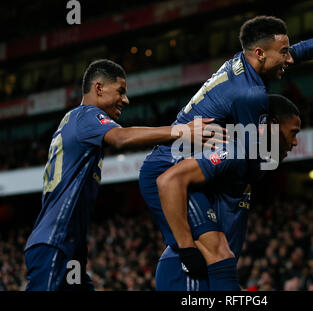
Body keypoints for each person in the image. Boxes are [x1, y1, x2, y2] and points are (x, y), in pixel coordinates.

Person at [138, 16, 313, 290]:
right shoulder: (250, 95)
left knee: (220, 250)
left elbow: (306, 49)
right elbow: (255, 159)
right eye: (284, 53)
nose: (289, 59)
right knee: (216, 253)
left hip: (190, 164)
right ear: (260, 53)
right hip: (168, 171)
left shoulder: (248, 64)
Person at [23, 59, 225, 291]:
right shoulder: (86, 115)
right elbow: (122, 137)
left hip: (68, 247)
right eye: (120, 91)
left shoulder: (73, 121)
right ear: (98, 88)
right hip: (55, 242)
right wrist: (183, 131)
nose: (126, 100)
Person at [155, 94, 300, 290]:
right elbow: (169, 180)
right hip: (188, 272)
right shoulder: (233, 151)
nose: (295, 142)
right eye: (293, 132)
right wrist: (187, 249)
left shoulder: (254, 165)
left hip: (210, 273)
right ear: (272, 125)